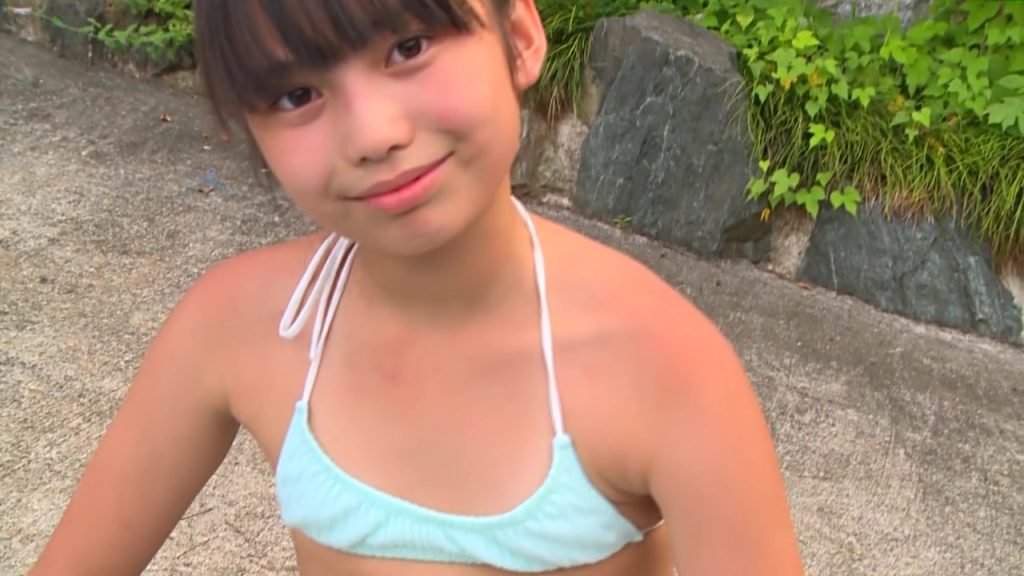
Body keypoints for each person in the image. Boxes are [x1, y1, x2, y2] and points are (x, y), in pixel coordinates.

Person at [28, 1, 804, 574]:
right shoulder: (238, 327)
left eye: (408, 46)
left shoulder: (666, 370)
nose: (373, 134)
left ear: (519, 37)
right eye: (297, 95)